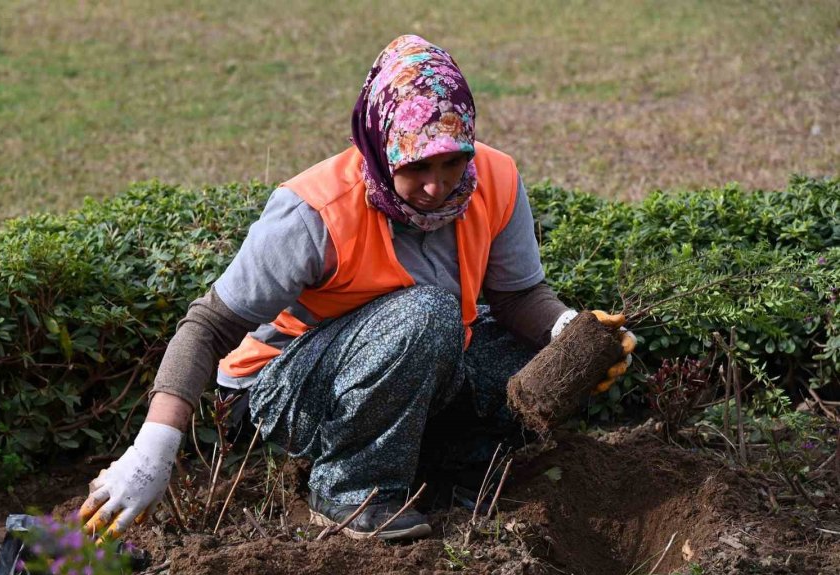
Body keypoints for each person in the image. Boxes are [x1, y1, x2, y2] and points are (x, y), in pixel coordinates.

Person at [79, 34, 636, 542]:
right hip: (285, 385)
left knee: (533, 352)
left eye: (453, 161)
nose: (438, 186)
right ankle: (352, 492)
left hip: (410, 355)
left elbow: (516, 298)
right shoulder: (314, 212)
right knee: (428, 315)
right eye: (417, 167)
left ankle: (455, 471)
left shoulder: (495, 179)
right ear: (380, 146)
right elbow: (208, 325)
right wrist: (154, 448)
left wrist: (568, 333)